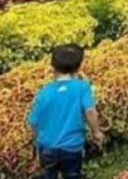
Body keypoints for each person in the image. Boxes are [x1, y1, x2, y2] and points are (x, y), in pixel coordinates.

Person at [27, 44, 105, 179]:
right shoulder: (82, 87)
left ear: (52, 66)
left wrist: (37, 143)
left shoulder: (44, 93)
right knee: (72, 174)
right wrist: (96, 132)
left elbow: (33, 122)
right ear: (79, 66)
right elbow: (90, 111)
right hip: (72, 147)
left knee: (48, 175)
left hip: (47, 148)